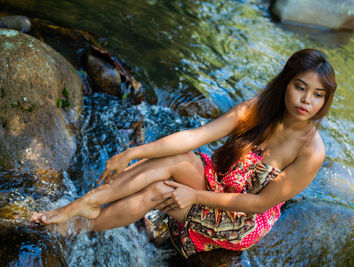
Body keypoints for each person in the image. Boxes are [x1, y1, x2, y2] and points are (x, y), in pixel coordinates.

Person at [32, 48, 336, 258]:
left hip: (241, 218)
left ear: (325, 99)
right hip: (219, 181)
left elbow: (258, 204)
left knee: (158, 191)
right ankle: (89, 202)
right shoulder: (257, 110)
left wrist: (194, 197)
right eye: (300, 87)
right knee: (177, 158)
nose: (306, 100)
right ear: (286, 84)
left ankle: (77, 226)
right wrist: (131, 153)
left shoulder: (311, 152)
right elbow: (194, 137)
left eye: (318, 95)